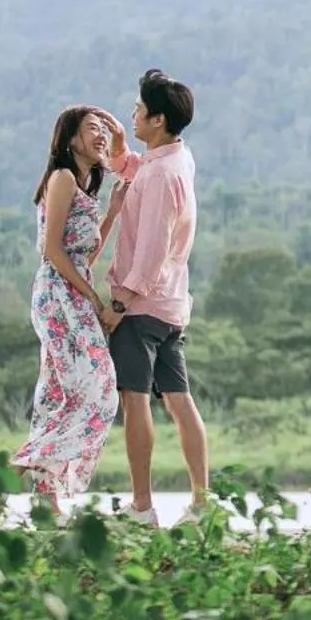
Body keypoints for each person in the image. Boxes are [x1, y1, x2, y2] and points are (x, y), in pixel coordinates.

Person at [101, 68, 209, 526]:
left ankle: (142, 506)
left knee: (135, 399)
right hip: (170, 305)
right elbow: (137, 172)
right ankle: (202, 503)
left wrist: (120, 303)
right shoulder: (173, 159)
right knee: (180, 401)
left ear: (159, 119)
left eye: (140, 111)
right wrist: (123, 150)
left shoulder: (162, 175)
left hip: (144, 306)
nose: (134, 114)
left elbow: (151, 249)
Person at [10, 104, 128, 512]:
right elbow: (51, 251)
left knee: (57, 393)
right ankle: (16, 469)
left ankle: (46, 501)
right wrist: (94, 300)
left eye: (103, 129)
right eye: (92, 128)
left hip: (72, 289)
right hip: (58, 295)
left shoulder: (83, 189)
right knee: (97, 392)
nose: (100, 135)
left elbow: (84, 256)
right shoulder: (61, 178)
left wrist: (111, 211)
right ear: (69, 138)